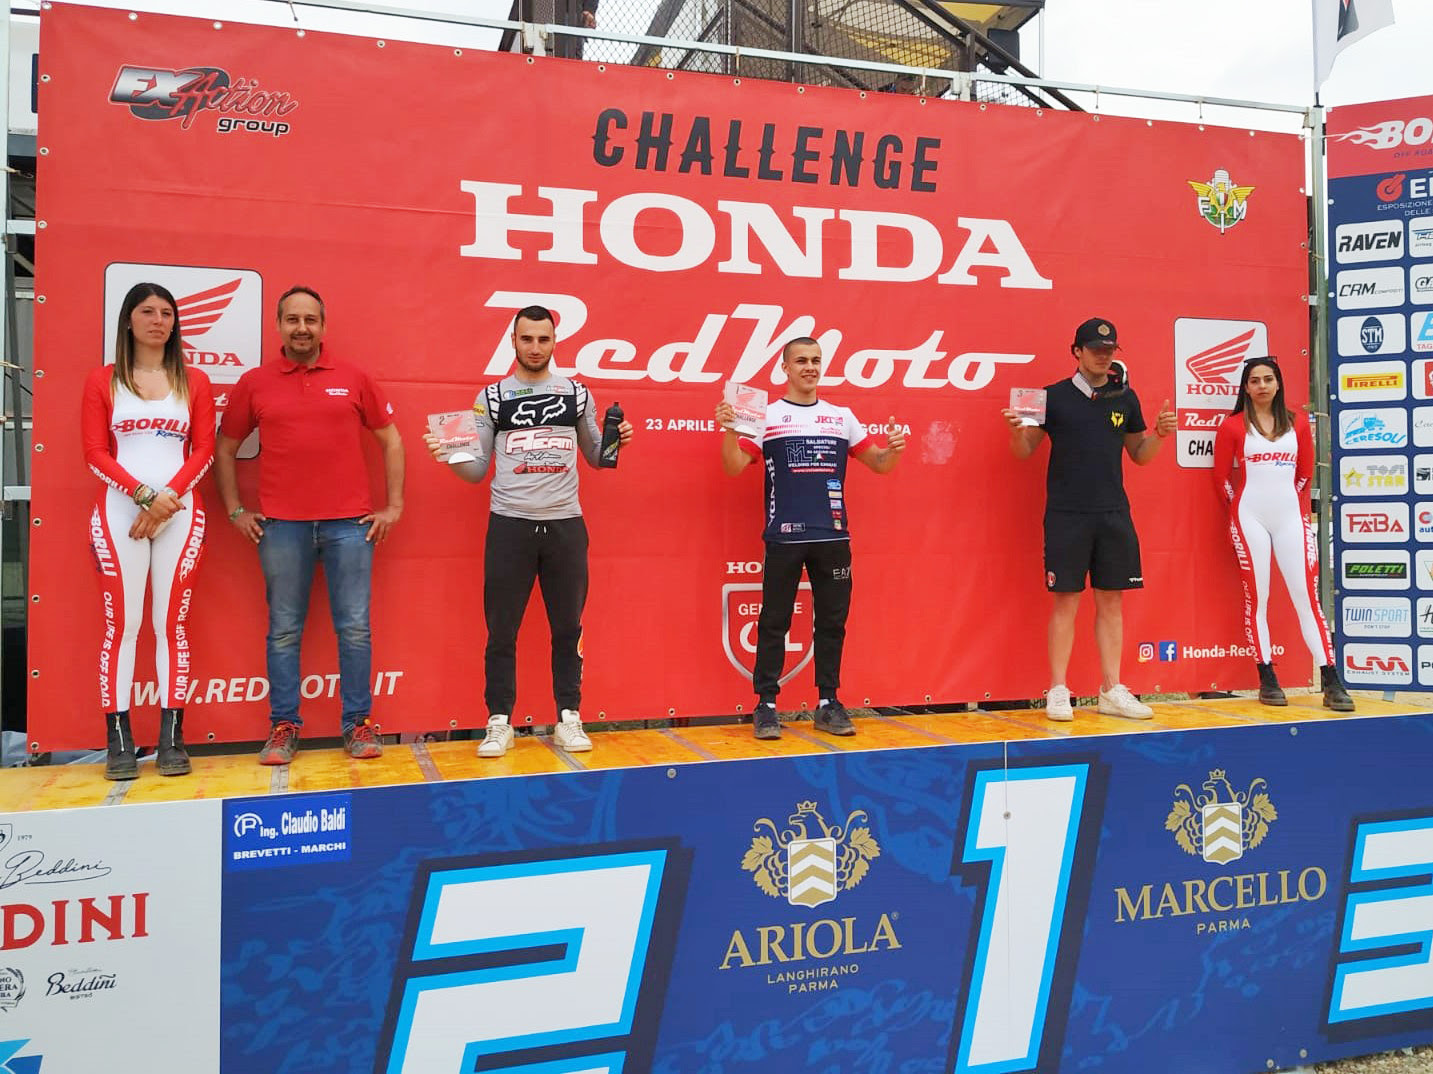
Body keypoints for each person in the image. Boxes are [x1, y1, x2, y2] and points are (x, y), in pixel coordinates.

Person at [424, 304, 632, 758]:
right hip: (510, 525)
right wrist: (450, 455)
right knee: (501, 630)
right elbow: (476, 470)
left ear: (554, 342)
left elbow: (597, 457)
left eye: (543, 339)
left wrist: (617, 438)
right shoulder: (492, 397)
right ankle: (499, 722)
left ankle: (569, 717)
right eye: (527, 339)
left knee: (568, 627)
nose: (535, 347)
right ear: (513, 341)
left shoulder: (576, 393)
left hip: (565, 525)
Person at [214, 286, 404, 765]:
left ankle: (358, 724)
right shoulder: (255, 383)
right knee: (283, 630)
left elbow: (392, 440)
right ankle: (283, 726)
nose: (302, 328)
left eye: (310, 320)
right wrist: (235, 510)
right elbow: (225, 447)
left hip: (350, 525)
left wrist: (393, 506)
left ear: (323, 326)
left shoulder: (354, 377)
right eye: (293, 320)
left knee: (355, 628)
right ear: (279, 325)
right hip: (282, 527)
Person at [715, 337, 905, 740]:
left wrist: (894, 450)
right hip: (783, 537)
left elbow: (880, 464)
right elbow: (733, 467)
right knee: (774, 620)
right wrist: (730, 431)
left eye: (816, 360)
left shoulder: (842, 417)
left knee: (832, 621)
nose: (810, 367)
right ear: (785, 368)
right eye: (801, 360)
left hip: (832, 537)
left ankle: (828, 703)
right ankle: (766, 705)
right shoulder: (766, 415)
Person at [1001, 317, 1176, 722]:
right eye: (1095, 349)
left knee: (1111, 601)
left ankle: (1112, 689)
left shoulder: (1125, 397)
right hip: (1066, 514)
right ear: (1077, 352)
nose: (1103, 356)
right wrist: (1015, 430)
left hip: (1113, 513)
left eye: (1109, 350)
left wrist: (1160, 435)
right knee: (1066, 600)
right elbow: (1023, 451)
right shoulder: (1047, 396)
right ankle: (1058, 689)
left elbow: (1140, 454)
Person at [83, 282, 215, 780]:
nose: (158, 321)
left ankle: (171, 739)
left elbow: (204, 449)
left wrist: (165, 502)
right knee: (123, 625)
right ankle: (118, 741)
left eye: (166, 313)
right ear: (129, 320)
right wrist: (143, 496)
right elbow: (94, 452)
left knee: (170, 625)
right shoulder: (103, 380)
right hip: (120, 514)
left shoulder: (194, 380)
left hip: (181, 512)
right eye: (147, 312)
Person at [1213, 357, 1353, 711]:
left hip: (1291, 518)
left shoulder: (1298, 422)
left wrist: (1294, 510)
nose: (1262, 386)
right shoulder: (1232, 426)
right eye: (1254, 380)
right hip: (1249, 518)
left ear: (1278, 384)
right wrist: (1238, 512)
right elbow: (1221, 479)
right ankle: (1267, 678)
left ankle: (1331, 679)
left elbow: (1305, 474)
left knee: (1307, 599)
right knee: (1257, 598)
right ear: (1246, 388)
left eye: (1268, 379)